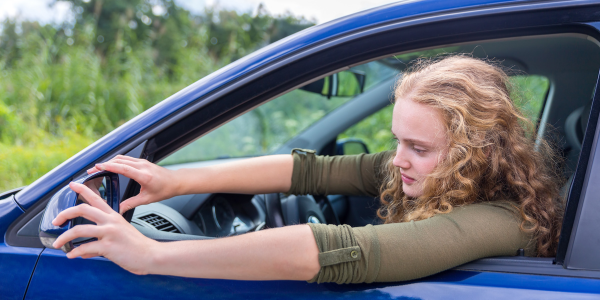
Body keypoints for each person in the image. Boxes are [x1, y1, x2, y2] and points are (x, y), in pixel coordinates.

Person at [51, 56, 564, 283]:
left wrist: (149, 255)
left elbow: (345, 252)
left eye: (419, 147)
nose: (399, 158)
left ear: (473, 149)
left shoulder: (503, 220)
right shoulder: (432, 171)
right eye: (397, 141)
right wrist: (177, 180)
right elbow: (309, 173)